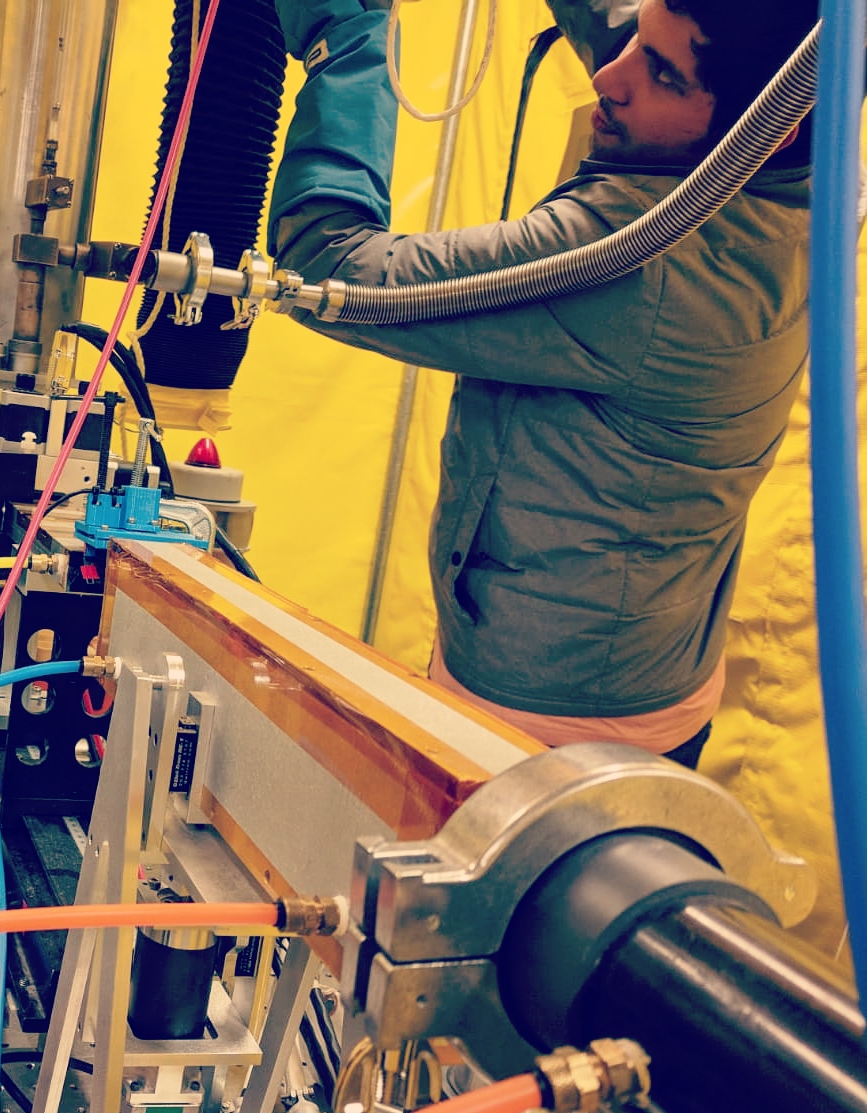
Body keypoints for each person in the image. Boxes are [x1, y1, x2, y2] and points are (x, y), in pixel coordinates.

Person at [269, 0, 818, 769]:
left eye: (660, 74)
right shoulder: (800, 176)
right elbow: (617, 25)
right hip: (638, 669)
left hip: (548, 727)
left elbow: (327, 272)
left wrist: (349, 40)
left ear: (772, 126)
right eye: (639, 42)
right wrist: (649, 50)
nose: (609, 78)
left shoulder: (645, 260)